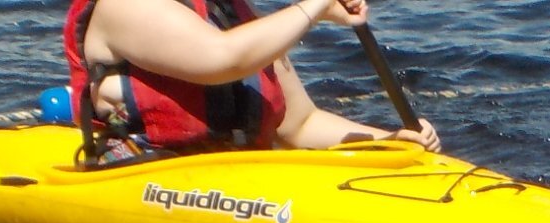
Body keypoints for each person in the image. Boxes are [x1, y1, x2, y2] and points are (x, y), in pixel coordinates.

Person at [65, 0, 441, 165]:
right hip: (142, 175)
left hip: (239, 180)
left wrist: (387, 141)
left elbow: (299, 124)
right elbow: (221, 59)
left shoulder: (234, 13)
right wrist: (314, 9)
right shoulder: (125, 5)